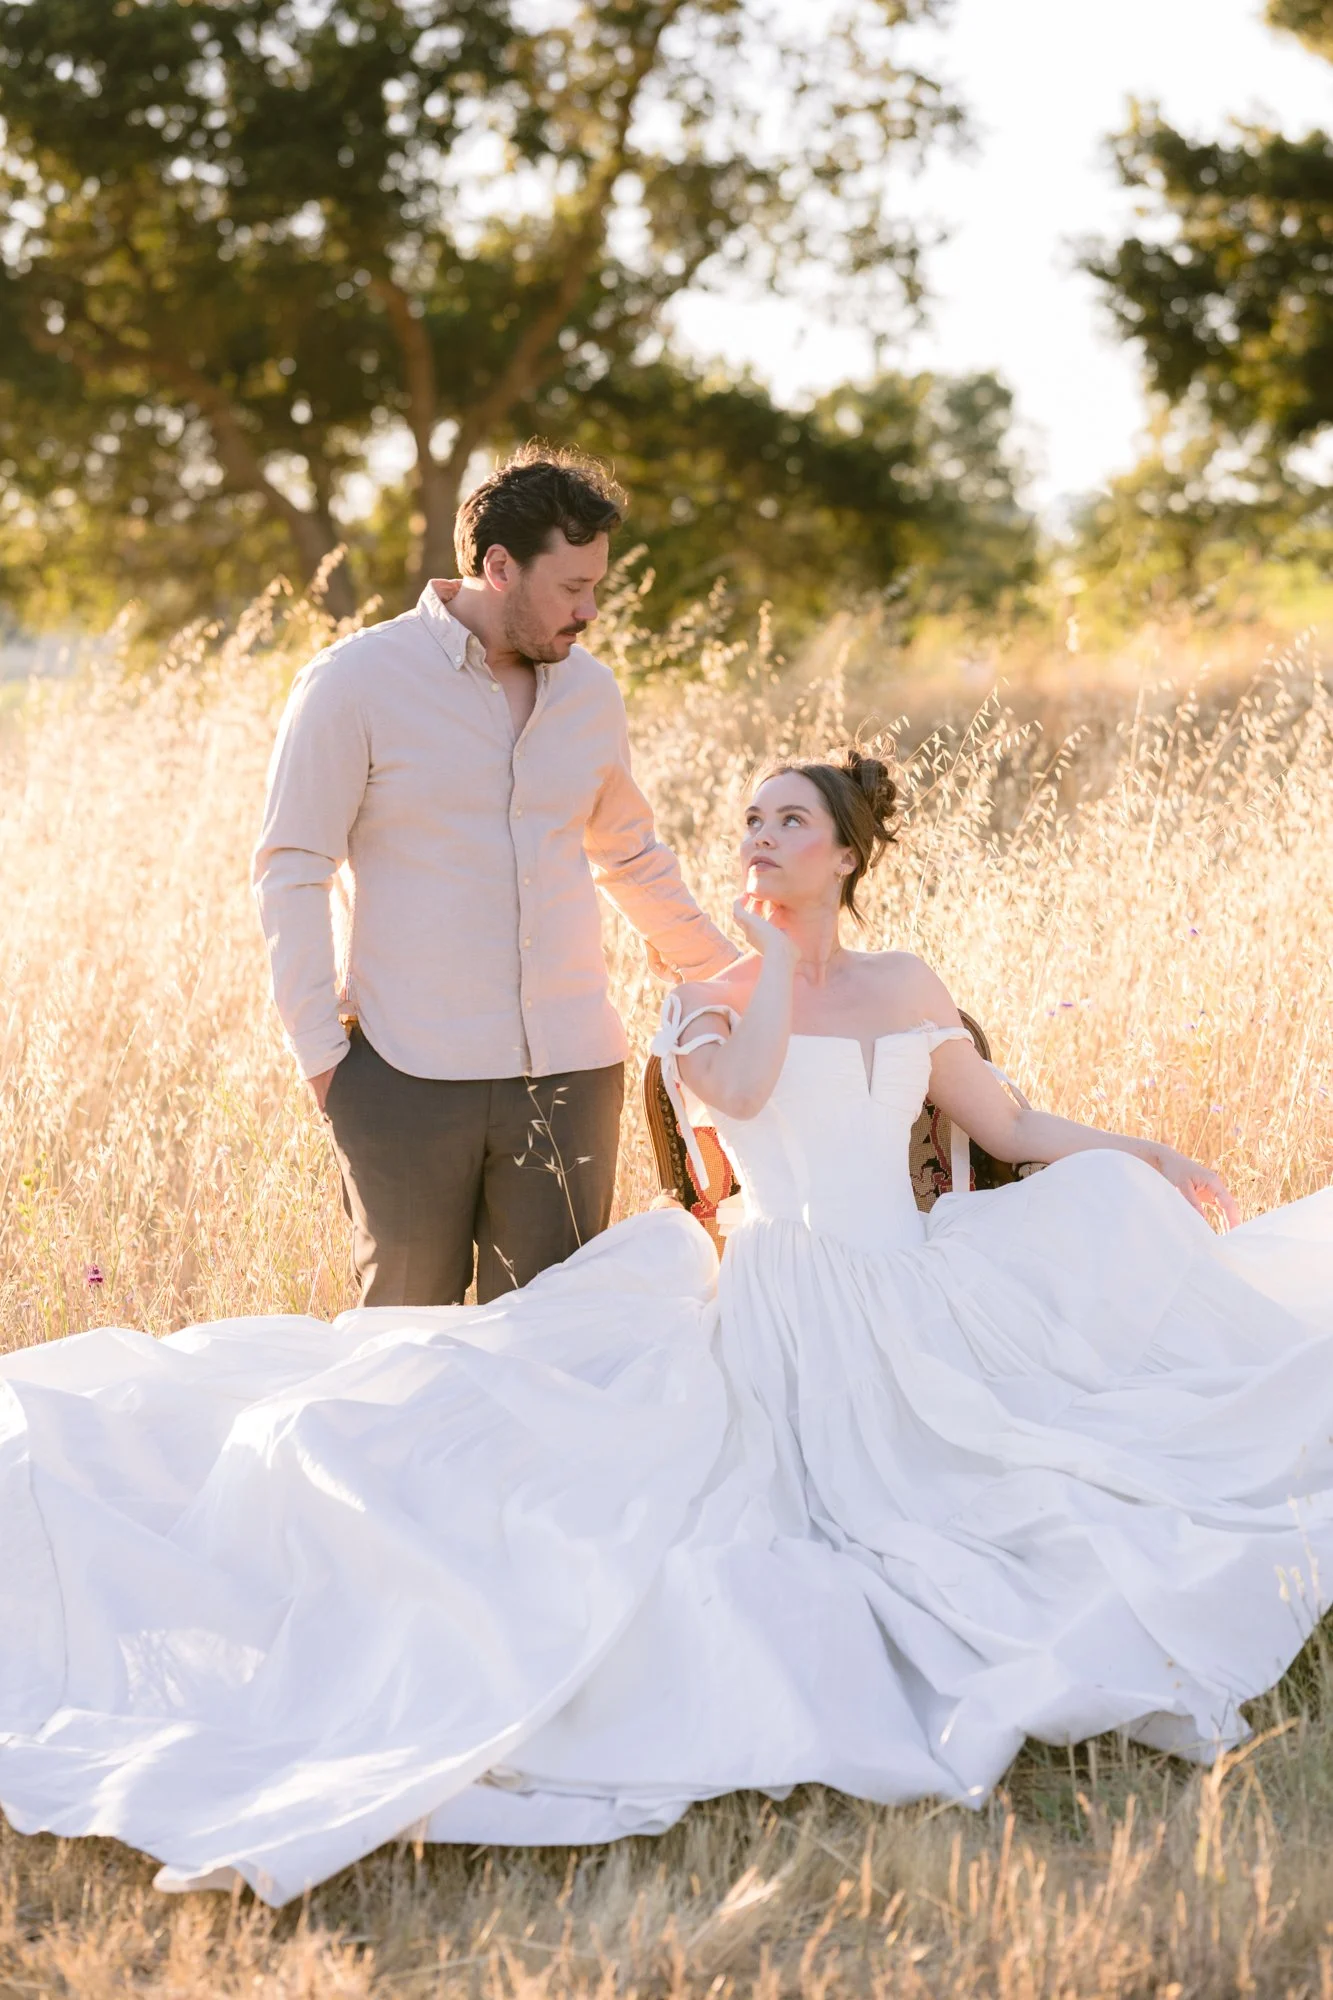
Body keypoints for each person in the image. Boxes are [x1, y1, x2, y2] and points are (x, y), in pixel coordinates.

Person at [2, 751, 1332, 1908]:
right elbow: (742, 1097)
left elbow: (1008, 1124)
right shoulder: (707, 1001)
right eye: (750, 819)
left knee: (1080, 1407)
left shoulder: (906, 982)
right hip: (784, 1296)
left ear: (846, 855)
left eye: (790, 821)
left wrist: (1144, 1151)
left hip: (915, 1282)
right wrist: (765, 961)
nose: (759, 837)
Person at [252, 443, 736, 1306]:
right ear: (498, 566)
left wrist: (739, 980)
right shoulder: (355, 681)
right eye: (572, 587)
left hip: (572, 1074)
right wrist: (325, 1060)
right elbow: (291, 869)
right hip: (404, 1075)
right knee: (407, 1340)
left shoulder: (590, 694)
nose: (589, 611)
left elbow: (629, 855)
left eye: (597, 586)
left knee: (551, 1338)